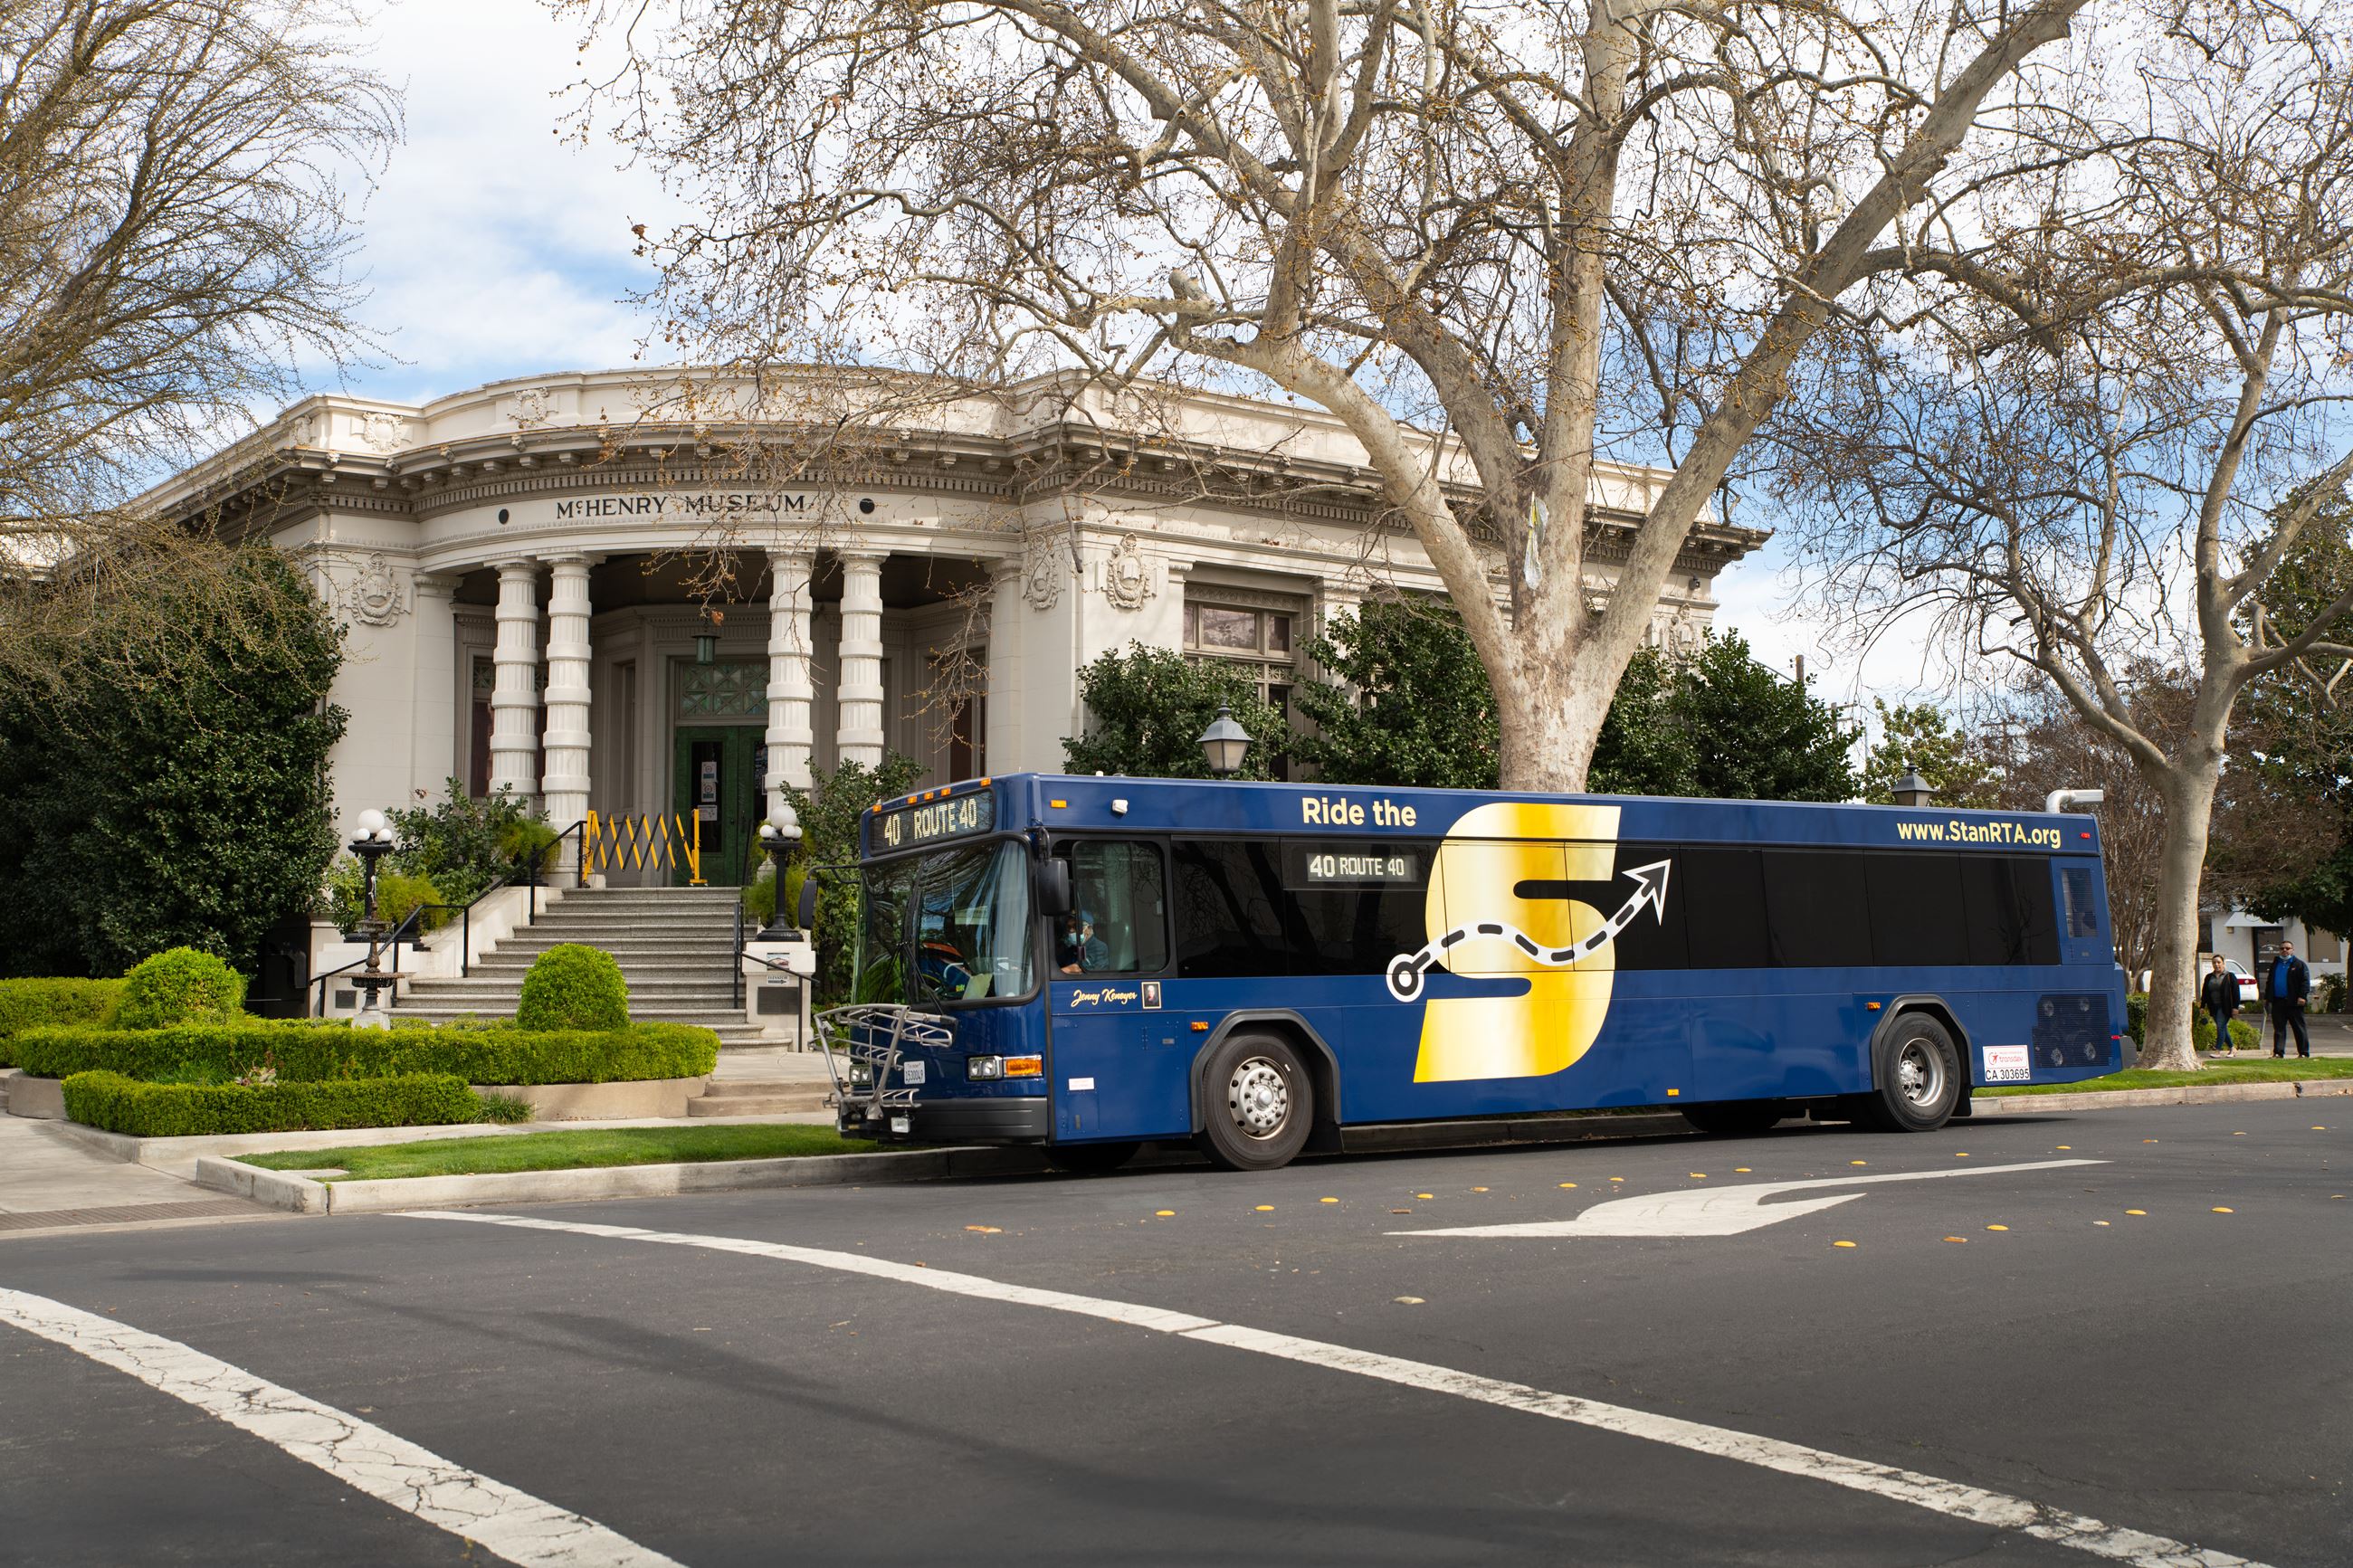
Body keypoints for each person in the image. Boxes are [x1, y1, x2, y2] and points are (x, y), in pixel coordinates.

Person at [2267, 940, 2311, 1059]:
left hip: (2294, 1002)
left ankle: (2303, 1053)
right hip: (2278, 1001)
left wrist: (2302, 996)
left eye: (2287, 948)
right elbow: (2269, 982)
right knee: (2279, 1029)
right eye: (2282, 948)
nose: (2285, 950)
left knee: (2299, 1028)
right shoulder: (2275, 964)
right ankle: (2278, 1052)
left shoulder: (2299, 965)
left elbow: (2305, 982)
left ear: (2292, 950)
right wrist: (2268, 998)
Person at [2200, 954, 2242, 1055]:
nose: (2216, 964)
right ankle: (2232, 1048)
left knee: (2220, 1027)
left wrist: (2235, 1007)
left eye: (2218, 962)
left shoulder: (2229, 976)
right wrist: (2202, 1006)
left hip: (2225, 1007)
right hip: (2213, 1006)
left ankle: (2218, 1051)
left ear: (2223, 963)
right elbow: (2205, 992)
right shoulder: (2209, 977)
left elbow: (2236, 992)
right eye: (2214, 963)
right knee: (2222, 1027)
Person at [1057, 908, 1111, 975]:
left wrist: (1057, 973)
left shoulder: (1099, 947)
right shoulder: (1072, 949)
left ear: (1089, 929)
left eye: (1075, 926)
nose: (1071, 930)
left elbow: (1079, 968)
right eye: (1069, 927)